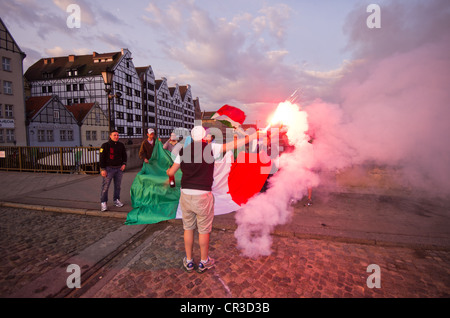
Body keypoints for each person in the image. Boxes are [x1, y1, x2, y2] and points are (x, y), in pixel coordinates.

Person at [167, 125, 260, 273]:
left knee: (188, 228)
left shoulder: (183, 151)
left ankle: (189, 261)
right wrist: (252, 137)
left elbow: (171, 172)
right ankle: (204, 261)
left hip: (185, 194)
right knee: (203, 230)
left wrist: (169, 173)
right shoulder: (210, 148)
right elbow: (233, 144)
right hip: (203, 195)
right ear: (204, 137)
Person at [100, 130, 127, 212]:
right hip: (109, 169)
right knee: (105, 186)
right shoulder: (105, 145)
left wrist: (124, 164)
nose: (116, 137)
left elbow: (124, 155)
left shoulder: (121, 145)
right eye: (114, 135)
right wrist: (103, 169)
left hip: (118, 169)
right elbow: (102, 158)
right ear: (110, 136)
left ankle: (116, 200)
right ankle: (103, 202)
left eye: (117, 135)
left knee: (118, 186)